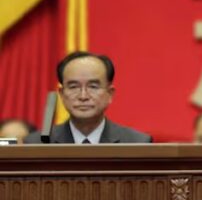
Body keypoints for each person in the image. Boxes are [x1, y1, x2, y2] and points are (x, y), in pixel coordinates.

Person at [24, 51, 152, 144]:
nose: (83, 96)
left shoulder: (137, 143)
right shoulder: (36, 143)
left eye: (93, 87)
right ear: (62, 94)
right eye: (74, 87)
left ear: (110, 94)